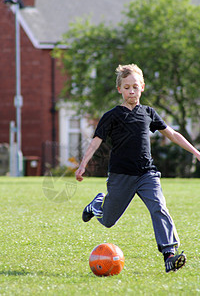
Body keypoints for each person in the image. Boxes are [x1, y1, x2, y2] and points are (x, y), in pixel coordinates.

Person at [75, 64, 200, 273]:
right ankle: (97, 205)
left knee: (159, 207)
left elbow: (172, 134)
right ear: (120, 90)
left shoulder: (149, 113)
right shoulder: (112, 116)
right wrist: (83, 164)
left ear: (142, 87)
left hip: (146, 174)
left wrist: (195, 152)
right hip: (121, 176)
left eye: (135, 86)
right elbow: (96, 141)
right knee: (107, 221)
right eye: (126, 87)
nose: (131, 91)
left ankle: (169, 255)